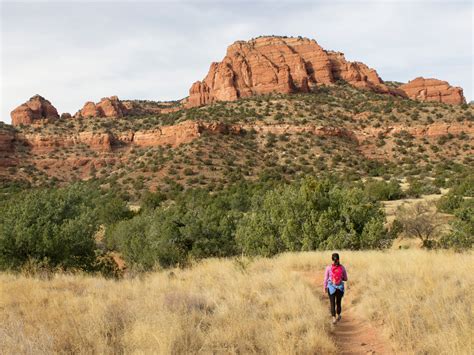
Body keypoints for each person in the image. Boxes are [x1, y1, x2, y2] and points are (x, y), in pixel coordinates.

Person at [323, 253, 348, 324]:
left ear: (332, 259)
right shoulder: (342, 267)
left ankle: (333, 318)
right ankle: (339, 314)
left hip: (331, 287)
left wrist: (325, 287)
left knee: (332, 302)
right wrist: (341, 278)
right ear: (339, 259)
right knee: (338, 302)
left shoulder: (328, 268)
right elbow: (346, 278)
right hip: (340, 288)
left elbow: (325, 278)